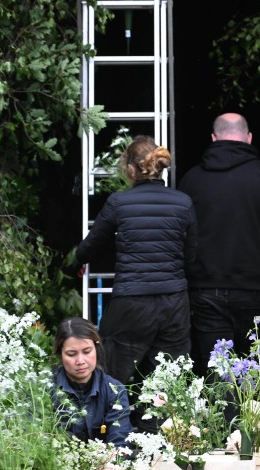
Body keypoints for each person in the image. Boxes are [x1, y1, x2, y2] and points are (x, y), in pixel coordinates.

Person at [75, 136, 197, 431]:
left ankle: (108, 443)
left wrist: (75, 262)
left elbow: (92, 246)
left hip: (132, 303)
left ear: (131, 169)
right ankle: (164, 448)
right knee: (168, 381)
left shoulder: (119, 202)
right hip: (173, 303)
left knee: (112, 374)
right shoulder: (183, 202)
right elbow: (193, 257)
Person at [178, 113, 260, 372]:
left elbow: (180, 236)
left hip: (205, 289)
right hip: (254, 290)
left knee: (217, 374)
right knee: (254, 372)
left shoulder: (191, 180)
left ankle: (221, 414)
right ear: (248, 137)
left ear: (213, 138)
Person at [52, 317, 133, 447]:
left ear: (96, 348)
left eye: (87, 351)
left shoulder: (114, 390)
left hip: (105, 464)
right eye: (71, 354)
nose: (80, 361)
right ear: (60, 354)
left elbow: (120, 443)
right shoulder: (42, 390)